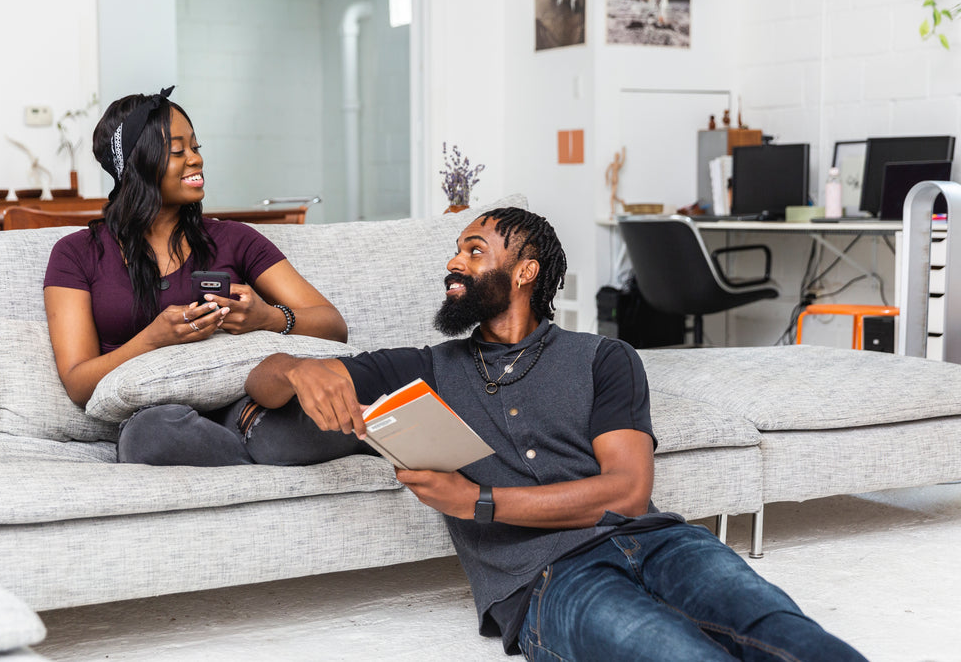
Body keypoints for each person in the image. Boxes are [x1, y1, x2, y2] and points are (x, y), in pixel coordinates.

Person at [242, 207, 867, 660]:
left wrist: (478, 502)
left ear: (525, 272)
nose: (454, 263)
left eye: (475, 250)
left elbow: (625, 491)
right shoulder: (427, 368)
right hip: (547, 582)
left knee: (788, 634)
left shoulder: (604, 358)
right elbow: (259, 384)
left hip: (658, 542)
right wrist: (298, 367)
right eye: (456, 250)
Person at [43, 86, 347, 465]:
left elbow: (333, 325)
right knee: (152, 436)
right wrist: (153, 339)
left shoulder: (235, 238)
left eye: (196, 148)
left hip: (243, 404)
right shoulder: (77, 254)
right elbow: (77, 382)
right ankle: (261, 457)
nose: (195, 160)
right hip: (153, 414)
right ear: (137, 163)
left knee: (302, 425)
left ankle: (253, 452)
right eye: (177, 151)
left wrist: (268, 318)